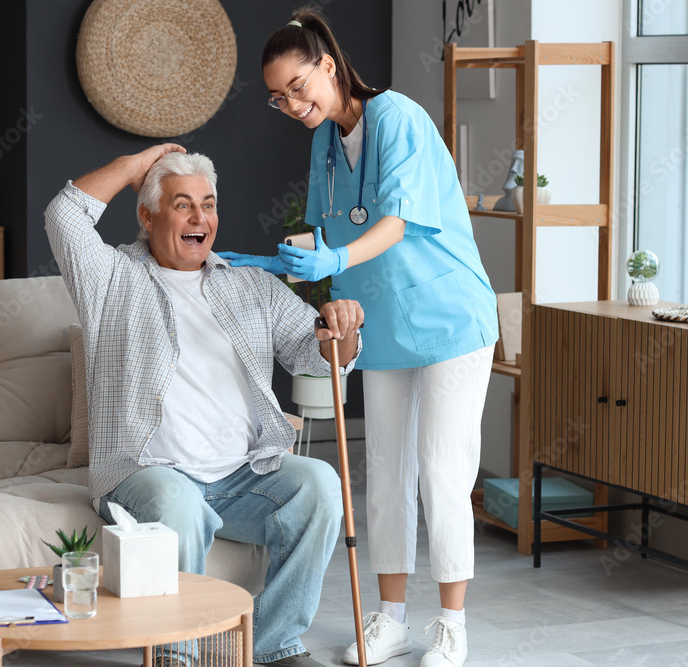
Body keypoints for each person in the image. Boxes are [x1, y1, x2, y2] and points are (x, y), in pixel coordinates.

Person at [218, 8, 498, 667]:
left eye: (297, 86)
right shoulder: (321, 142)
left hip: (450, 318)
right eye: (278, 97)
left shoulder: (394, 115)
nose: (291, 104)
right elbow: (323, 233)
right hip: (381, 323)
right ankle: (392, 616)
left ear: (328, 66)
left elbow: (394, 223)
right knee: (385, 472)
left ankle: (452, 622)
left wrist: (332, 262)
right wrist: (274, 262)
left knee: (441, 470)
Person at [44, 144, 365, 667]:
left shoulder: (251, 286)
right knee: (179, 504)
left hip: (242, 477)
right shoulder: (110, 278)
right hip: (146, 473)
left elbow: (320, 354)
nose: (200, 218)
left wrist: (344, 329)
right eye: (183, 205)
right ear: (147, 216)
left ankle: (271, 646)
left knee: (321, 486)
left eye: (209, 204)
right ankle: (177, 654)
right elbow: (65, 215)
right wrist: (134, 167)